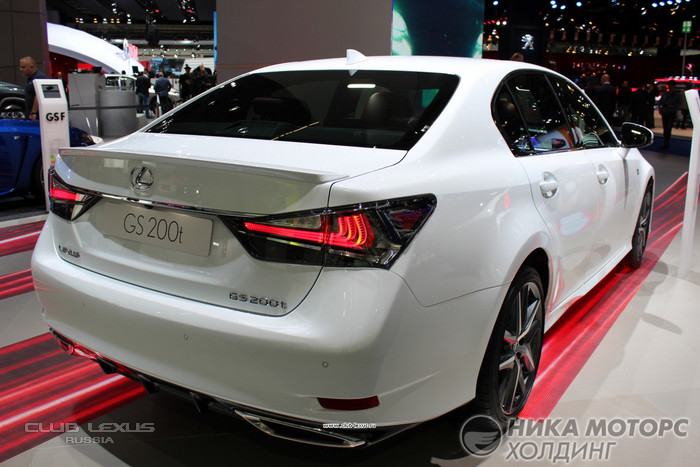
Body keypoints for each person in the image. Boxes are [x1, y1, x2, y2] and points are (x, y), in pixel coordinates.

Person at [19, 56, 48, 120]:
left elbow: (39, 95)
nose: (21, 69)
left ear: (32, 66)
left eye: (23, 67)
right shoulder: (30, 79)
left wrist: (33, 112)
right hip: (30, 114)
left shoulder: (39, 77)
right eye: (20, 67)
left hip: (36, 116)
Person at [658, 80, 683, 149]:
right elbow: (660, 102)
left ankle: (667, 141)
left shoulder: (677, 95)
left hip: (671, 112)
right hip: (665, 112)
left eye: (671, 85)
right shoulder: (665, 94)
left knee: (668, 128)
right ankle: (665, 141)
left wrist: (672, 106)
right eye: (669, 85)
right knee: (665, 127)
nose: (670, 87)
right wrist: (660, 109)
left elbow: (679, 104)